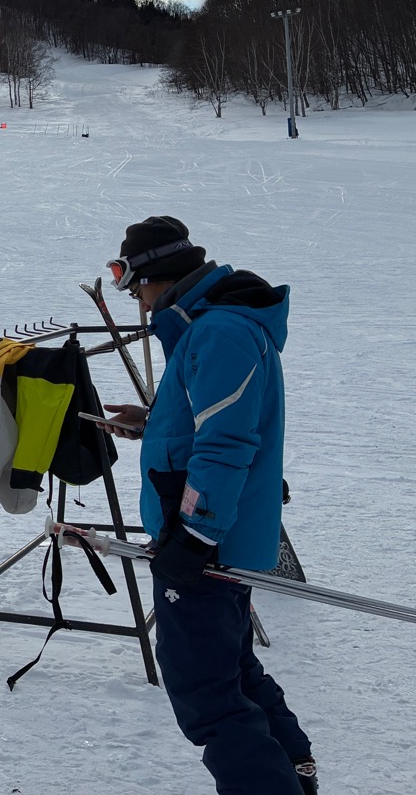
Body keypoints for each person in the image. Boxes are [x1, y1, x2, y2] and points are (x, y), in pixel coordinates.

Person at [99, 216, 316, 795]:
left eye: (134, 287)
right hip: (211, 540)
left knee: (207, 695)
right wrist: (154, 424)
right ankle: (293, 774)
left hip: (207, 546)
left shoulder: (220, 332)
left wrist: (194, 538)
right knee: (232, 673)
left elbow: (226, 444)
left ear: (157, 277)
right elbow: (210, 425)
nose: (138, 305)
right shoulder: (208, 329)